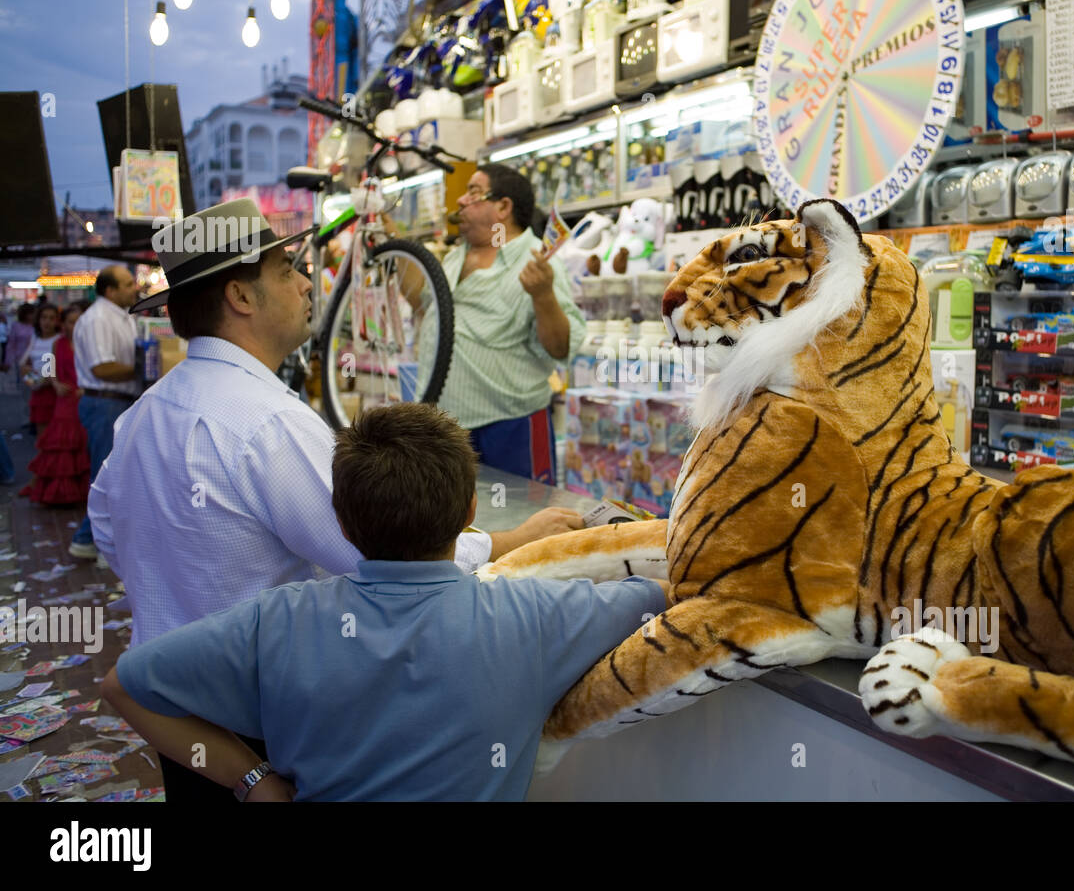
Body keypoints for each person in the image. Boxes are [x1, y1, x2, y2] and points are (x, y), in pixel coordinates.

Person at [87, 201, 582, 798]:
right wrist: (514, 541)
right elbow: (385, 557)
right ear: (242, 298)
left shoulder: (141, 417)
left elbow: (111, 536)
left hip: (175, 725)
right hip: (264, 737)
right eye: (285, 271)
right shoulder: (268, 423)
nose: (303, 284)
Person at [102, 402, 666, 801]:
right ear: (470, 511)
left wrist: (254, 783)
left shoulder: (276, 621)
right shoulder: (538, 616)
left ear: (343, 526)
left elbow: (124, 687)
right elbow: (665, 596)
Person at [423, 163, 586, 484]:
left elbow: (560, 348)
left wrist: (543, 296)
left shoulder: (536, 261)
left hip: (511, 428)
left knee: (526, 520)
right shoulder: (456, 256)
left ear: (503, 206)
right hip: (446, 427)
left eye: (473, 192)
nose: (460, 201)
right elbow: (425, 307)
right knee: (460, 527)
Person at [67, 266, 141, 562]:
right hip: (104, 403)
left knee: (115, 476)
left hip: (117, 401)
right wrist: (146, 366)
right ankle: (97, 543)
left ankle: (90, 539)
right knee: (107, 477)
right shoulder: (98, 318)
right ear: (110, 290)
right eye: (127, 284)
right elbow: (102, 368)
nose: (134, 287)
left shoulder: (120, 316)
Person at [22, 301, 90, 505]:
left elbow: (92, 371)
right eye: (70, 322)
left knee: (81, 444)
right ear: (65, 324)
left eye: (78, 322)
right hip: (62, 398)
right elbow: (49, 369)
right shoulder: (56, 343)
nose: (74, 326)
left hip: (80, 397)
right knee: (59, 444)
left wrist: (84, 389)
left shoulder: (88, 344)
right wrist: (56, 383)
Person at [20, 304, 61, 439]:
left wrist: (37, 379)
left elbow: (59, 370)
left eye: (51, 318)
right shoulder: (34, 338)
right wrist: (34, 381)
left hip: (55, 393)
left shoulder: (60, 340)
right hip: (37, 392)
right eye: (44, 317)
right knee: (42, 438)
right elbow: (23, 366)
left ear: (57, 320)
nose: (47, 322)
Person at [4, 303, 35, 386]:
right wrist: (8, 361)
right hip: (21, 359)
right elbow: (11, 344)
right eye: (29, 313)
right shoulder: (16, 326)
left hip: (36, 358)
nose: (31, 316)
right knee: (26, 383)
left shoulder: (37, 326)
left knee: (36, 383)